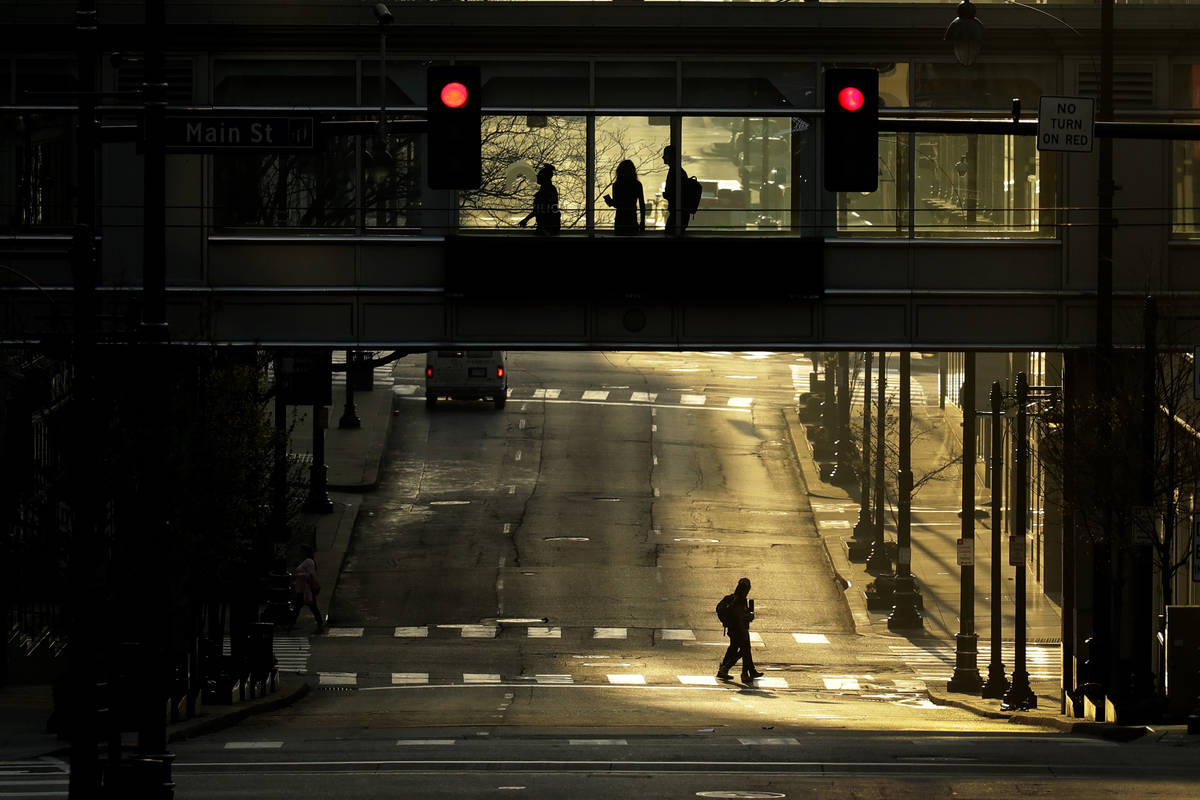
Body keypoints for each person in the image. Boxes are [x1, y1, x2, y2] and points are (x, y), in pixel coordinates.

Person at [717, 577, 763, 683]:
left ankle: (748, 671)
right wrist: (748, 616)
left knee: (734, 649)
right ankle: (734, 670)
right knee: (744, 650)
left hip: (734, 629)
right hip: (739, 629)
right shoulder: (739, 600)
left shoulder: (735, 598)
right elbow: (739, 616)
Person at [603, 159, 646, 235]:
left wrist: (609, 201)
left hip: (620, 219)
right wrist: (642, 223)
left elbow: (616, 204)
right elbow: (642, 204)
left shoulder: (617, 185)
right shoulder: (637, 184)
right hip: (632, 218)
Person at [519, 163, 560, 236]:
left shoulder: (547, 191)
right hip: (547, 227)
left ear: (546, 177)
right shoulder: (548, 189)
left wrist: (526, 219)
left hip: (547, 228)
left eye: (540, 176)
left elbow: (540, 210)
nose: (537, 177)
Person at [292, 545, 324, 634]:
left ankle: (291, 624)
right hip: (302, 589)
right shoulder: (305, 561)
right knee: (302, 606)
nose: (300, 553)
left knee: (307, 606)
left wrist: (298, 575)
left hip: (305, 589)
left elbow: (311, 574)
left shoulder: (308, 561)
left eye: (301, 551)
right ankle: (291, 623)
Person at [661, 145, 691, 234]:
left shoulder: (674, 172)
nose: (663, 157)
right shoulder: (679, 171)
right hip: (680, 213)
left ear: (671, 157)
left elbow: (677, 194)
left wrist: (667, 195)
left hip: (678, 214)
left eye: (665, 155)